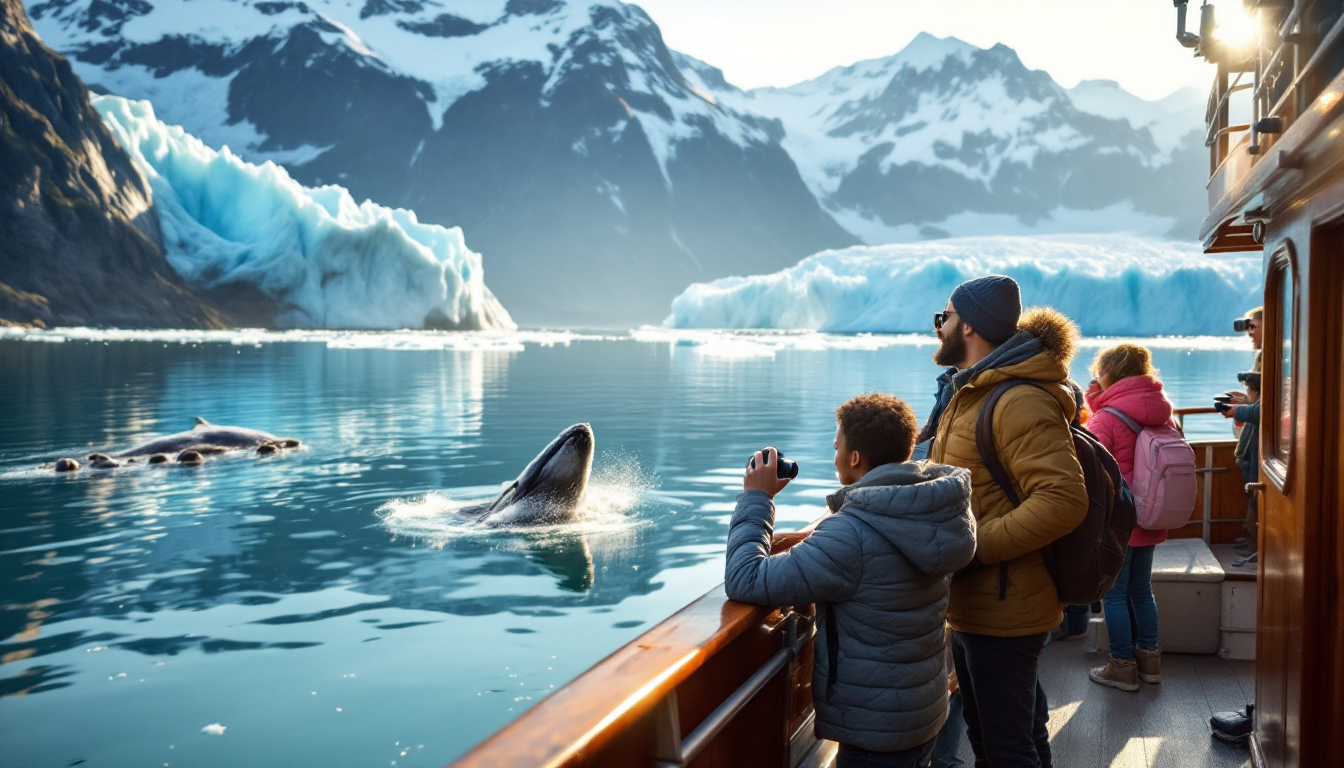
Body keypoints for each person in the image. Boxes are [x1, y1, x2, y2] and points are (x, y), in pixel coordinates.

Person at [725, 393, 977, 768]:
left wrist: (757, 499)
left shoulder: (852, 535)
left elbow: (745, 578)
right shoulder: (933, 510)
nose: (834, 456)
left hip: (875, 728)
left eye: (837, 446)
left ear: (855, 457)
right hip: (921, 710)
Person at [928, 275, 1089, 768]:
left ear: (970, 325)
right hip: (982, 602)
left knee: (1005, 748)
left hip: (1003, 605)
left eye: (945, 317)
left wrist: (973, 547)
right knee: (1010, 738)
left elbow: (1063, 498)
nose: (939, 328)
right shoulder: (974, 391)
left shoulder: (1016, 399)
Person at [1080, 343, 1173, 691]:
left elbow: (1090, 466)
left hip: (1119, 519)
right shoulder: (1162, 411)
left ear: (1109, 374)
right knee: (1141, 590)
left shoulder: (1107, 418)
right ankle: (1149, 661)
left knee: (1115, 595)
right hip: (1151, 514)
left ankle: (1122, 666)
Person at [1223, 308, 1262, 554]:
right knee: (1252, 487)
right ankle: (1252, 540)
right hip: (1253, 440)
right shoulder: (1264, 356)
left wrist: (1237, 411)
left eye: (1254, 327)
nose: (1249, 333)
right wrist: (1243, 403)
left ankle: (1259, 545)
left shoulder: (1279, 359)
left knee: (1258, 490)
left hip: (1262, 441)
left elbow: (1270, 409)